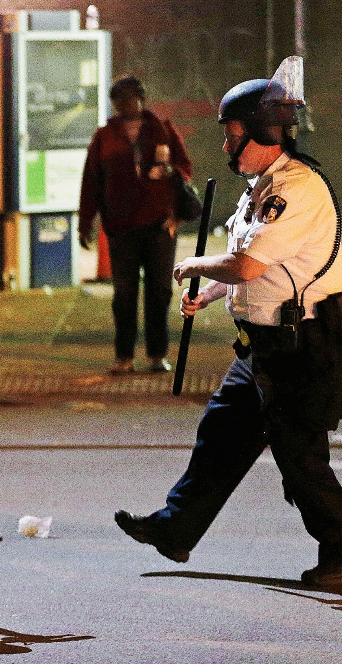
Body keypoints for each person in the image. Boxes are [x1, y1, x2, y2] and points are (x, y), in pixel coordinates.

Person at [115, 70, 342, 589]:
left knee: (300, 462)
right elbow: (264, 269)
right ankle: (176, 528)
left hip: (298, 347)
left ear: (263, 131)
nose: (225, 144)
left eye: (232, 133)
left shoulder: (296, 189)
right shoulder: (260, 188)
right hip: (262, 345)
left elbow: (245, 264)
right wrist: (215, 293)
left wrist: (195, 270)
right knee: (220, 435)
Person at [78, 77, 193, 374]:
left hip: (159, 225)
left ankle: (156, 355)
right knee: (124, 295)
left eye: (129, 99)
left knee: (159, 292)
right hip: (121, 227)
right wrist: (85, 222)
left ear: (141, 99)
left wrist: (171, 172)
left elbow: (185, 168)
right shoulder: (105, 136)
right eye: (119, 101)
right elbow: (91, 181)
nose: (125, 105)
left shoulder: (162, 129)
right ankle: (124, 357)